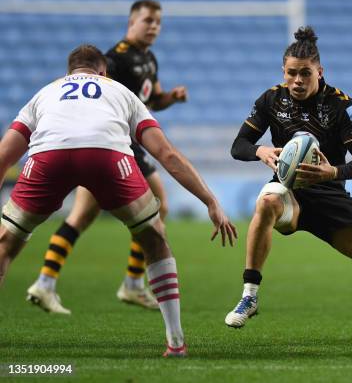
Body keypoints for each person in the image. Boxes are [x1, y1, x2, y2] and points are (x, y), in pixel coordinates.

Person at [0, 44, 236, 357]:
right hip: (107, 157)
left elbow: (5, 155)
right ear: (104, 71)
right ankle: (176, 342)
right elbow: (166, 154)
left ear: (68, 73)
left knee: (6, 242)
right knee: (154, 238)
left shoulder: (45, 93)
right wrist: (210, 200)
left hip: (48, 158)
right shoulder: (120, 91)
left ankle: (46, 279)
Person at [223, 26, 352, 340]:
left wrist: (333, 173)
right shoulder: (270, 100)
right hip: (290, 194)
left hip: (331, 197)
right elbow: (238, 146)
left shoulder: (343, 107)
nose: (297, 81)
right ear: (283, 71)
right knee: (267, 200)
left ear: (320, 71)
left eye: (305, 73)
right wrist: (259, 150)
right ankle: (249, 295)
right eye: (291, 73)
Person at [26, 0, 189, 314]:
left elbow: (152, 100)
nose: (154, 26)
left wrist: (170, 97)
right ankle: (131, 283)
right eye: (148, 20)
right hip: (115, 145)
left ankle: (46, 282)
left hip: (116, 146)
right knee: (157, 207)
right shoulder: (114, 60)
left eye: (158, 21)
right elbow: (97, 95)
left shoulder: (149, 59)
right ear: (131, 22)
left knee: (82, 217)